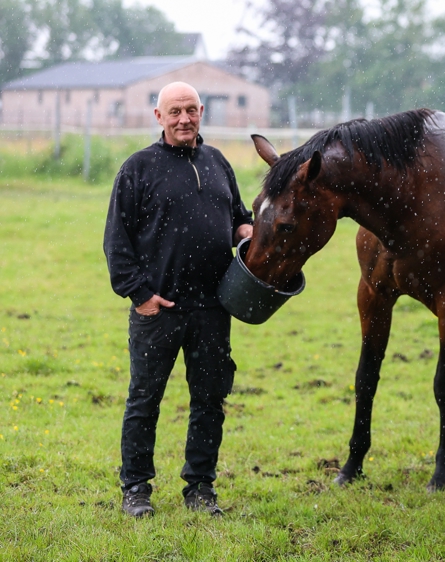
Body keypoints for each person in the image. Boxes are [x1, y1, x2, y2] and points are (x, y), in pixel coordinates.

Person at [103, 82, 254, 517]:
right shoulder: (138, 168)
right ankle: (136, 489)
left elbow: (237, 219)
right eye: (175, 112)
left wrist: (246, 230)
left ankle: (201, 487)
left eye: (191, 110)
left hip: (212, 307)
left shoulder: (218, 162)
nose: (184, 118)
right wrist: (140, 295)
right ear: (159, 117)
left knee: (210, 399)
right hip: (159, 309)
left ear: (202, 110)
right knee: (144, 400)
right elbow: (117, 241)